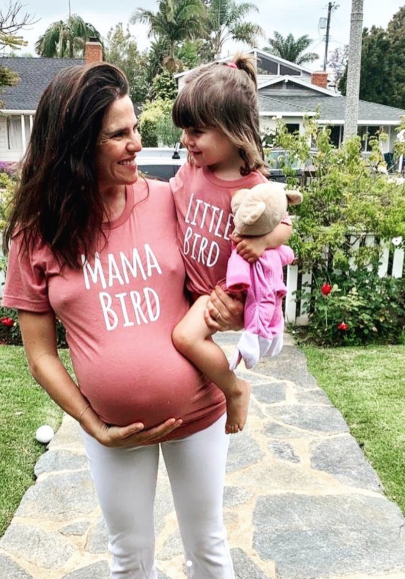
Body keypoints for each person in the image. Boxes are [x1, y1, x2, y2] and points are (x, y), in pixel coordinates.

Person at [2, 62, 243, 579]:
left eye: (135, 128)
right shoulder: (35, 232)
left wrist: (233, 306)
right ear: (75, 146)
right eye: (119, 134)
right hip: (114, 429)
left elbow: (223, 279)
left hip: (199, 411)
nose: (138, 143)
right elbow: (40, 355)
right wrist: (93, 427)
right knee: (129, 556)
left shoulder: (169, 200)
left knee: (208, 546)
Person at [170, 54, 293, 435]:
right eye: (185, 130)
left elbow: (285, 225)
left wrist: (264, 243)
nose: (186, 140)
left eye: (197, 131)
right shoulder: (193, 169)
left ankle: (234, 388)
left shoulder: (253, 186)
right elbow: (166, 200)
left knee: (184, 337)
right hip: (186, 284)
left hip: (218, 289)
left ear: (233, 130)